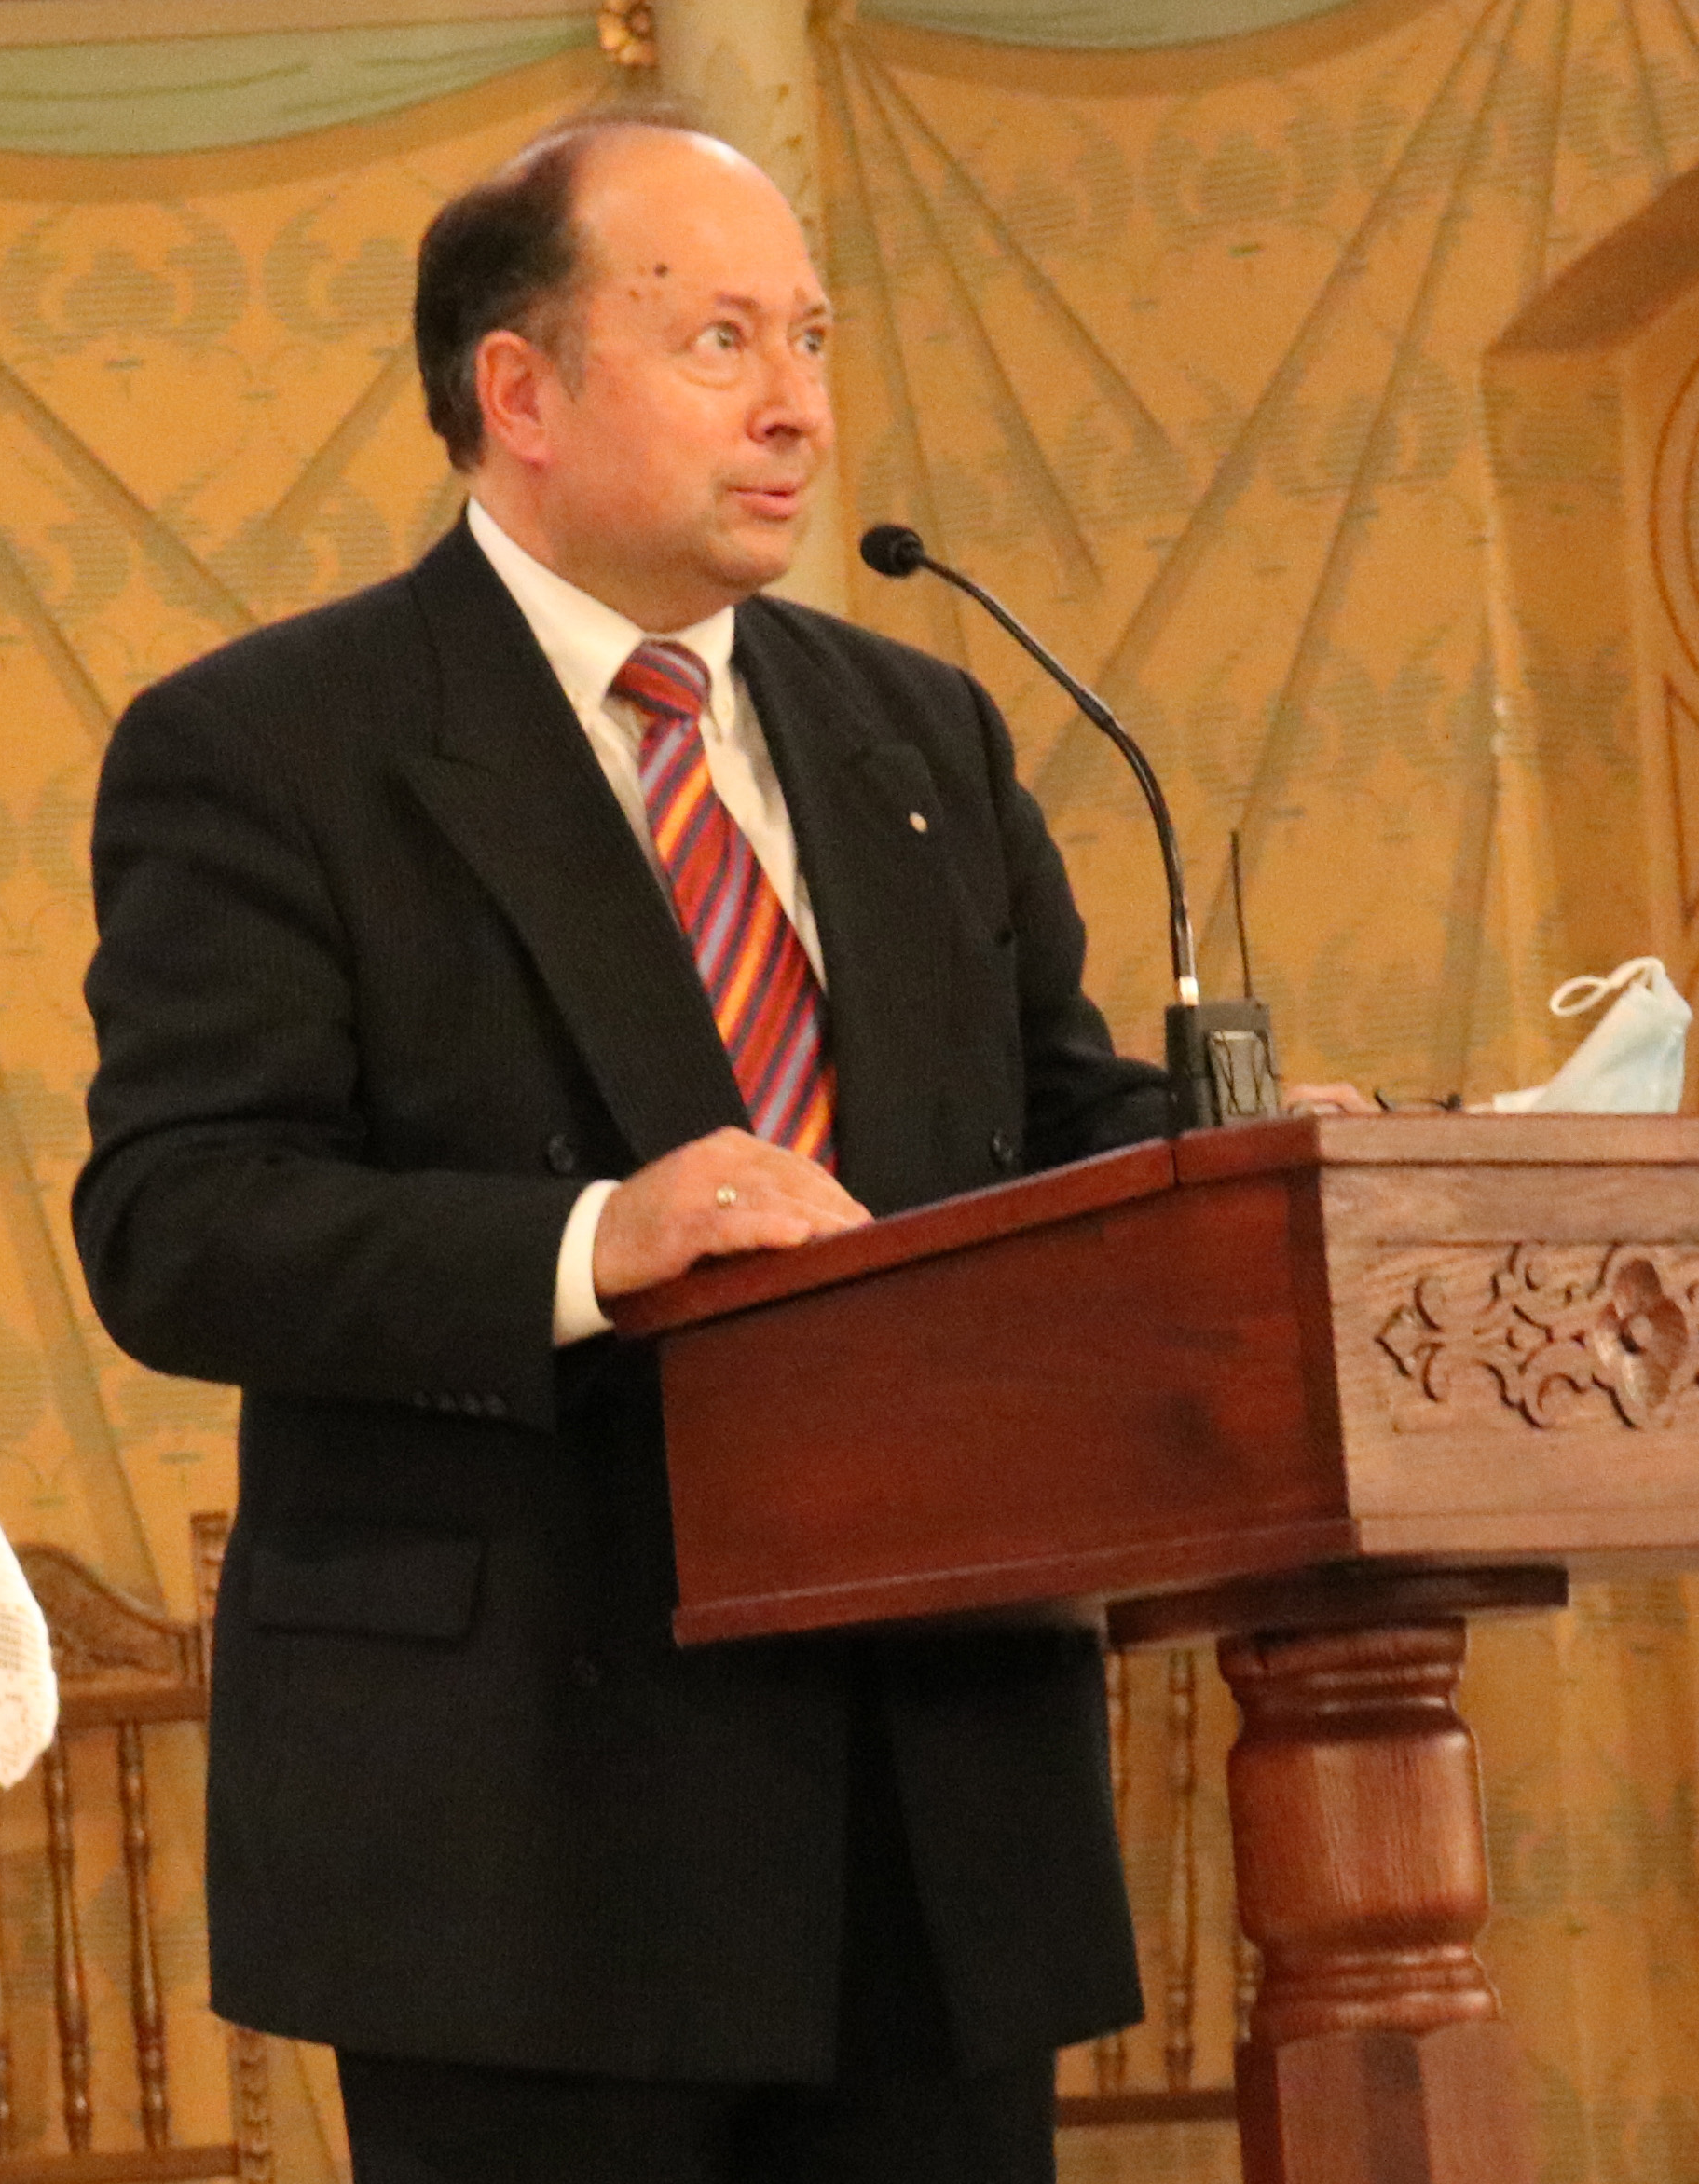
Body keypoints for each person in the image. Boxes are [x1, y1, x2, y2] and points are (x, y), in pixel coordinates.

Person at [77, 116, 1213, 2183]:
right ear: (518, 390)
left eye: (809, 337)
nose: (794, 407)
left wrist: (1250, 1158)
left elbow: (1049, 1127)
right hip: (528, 1824)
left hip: (931, 1800)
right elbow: (180, 1218)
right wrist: (605, 1235)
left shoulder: (921, 733)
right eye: (716, 340)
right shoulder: (271, 745)